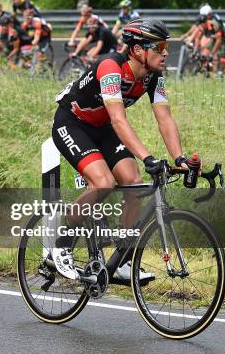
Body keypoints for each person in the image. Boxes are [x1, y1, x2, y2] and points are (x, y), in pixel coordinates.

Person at [52, 18, 186, 281]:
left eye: (165, 46)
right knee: (103, 182)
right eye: (159, 47)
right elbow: (118, 119)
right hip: (72, 123)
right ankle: (62, 245)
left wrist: (179, 158)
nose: (165, 53)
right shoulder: (111, 67)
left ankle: (122, 259)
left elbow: (165, 118)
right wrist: (147, 157)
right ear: (138, 50)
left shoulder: (153, 77)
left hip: (101, 129)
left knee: (134, 183)